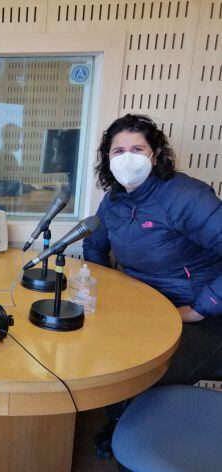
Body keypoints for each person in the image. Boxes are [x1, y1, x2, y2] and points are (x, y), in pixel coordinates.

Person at [83, 113, 222, 457]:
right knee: (104, 358)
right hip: (146, 308)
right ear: (107, 158)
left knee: (148, 374)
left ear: (155, 154)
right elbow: (94, 245)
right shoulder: (114, 202)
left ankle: (141, 444)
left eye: (137, 148)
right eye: (118, 151)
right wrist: (102, 289)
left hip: (202, 314)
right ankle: (118, 427)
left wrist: (200, 308)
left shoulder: (187, 196)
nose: (127, 158)